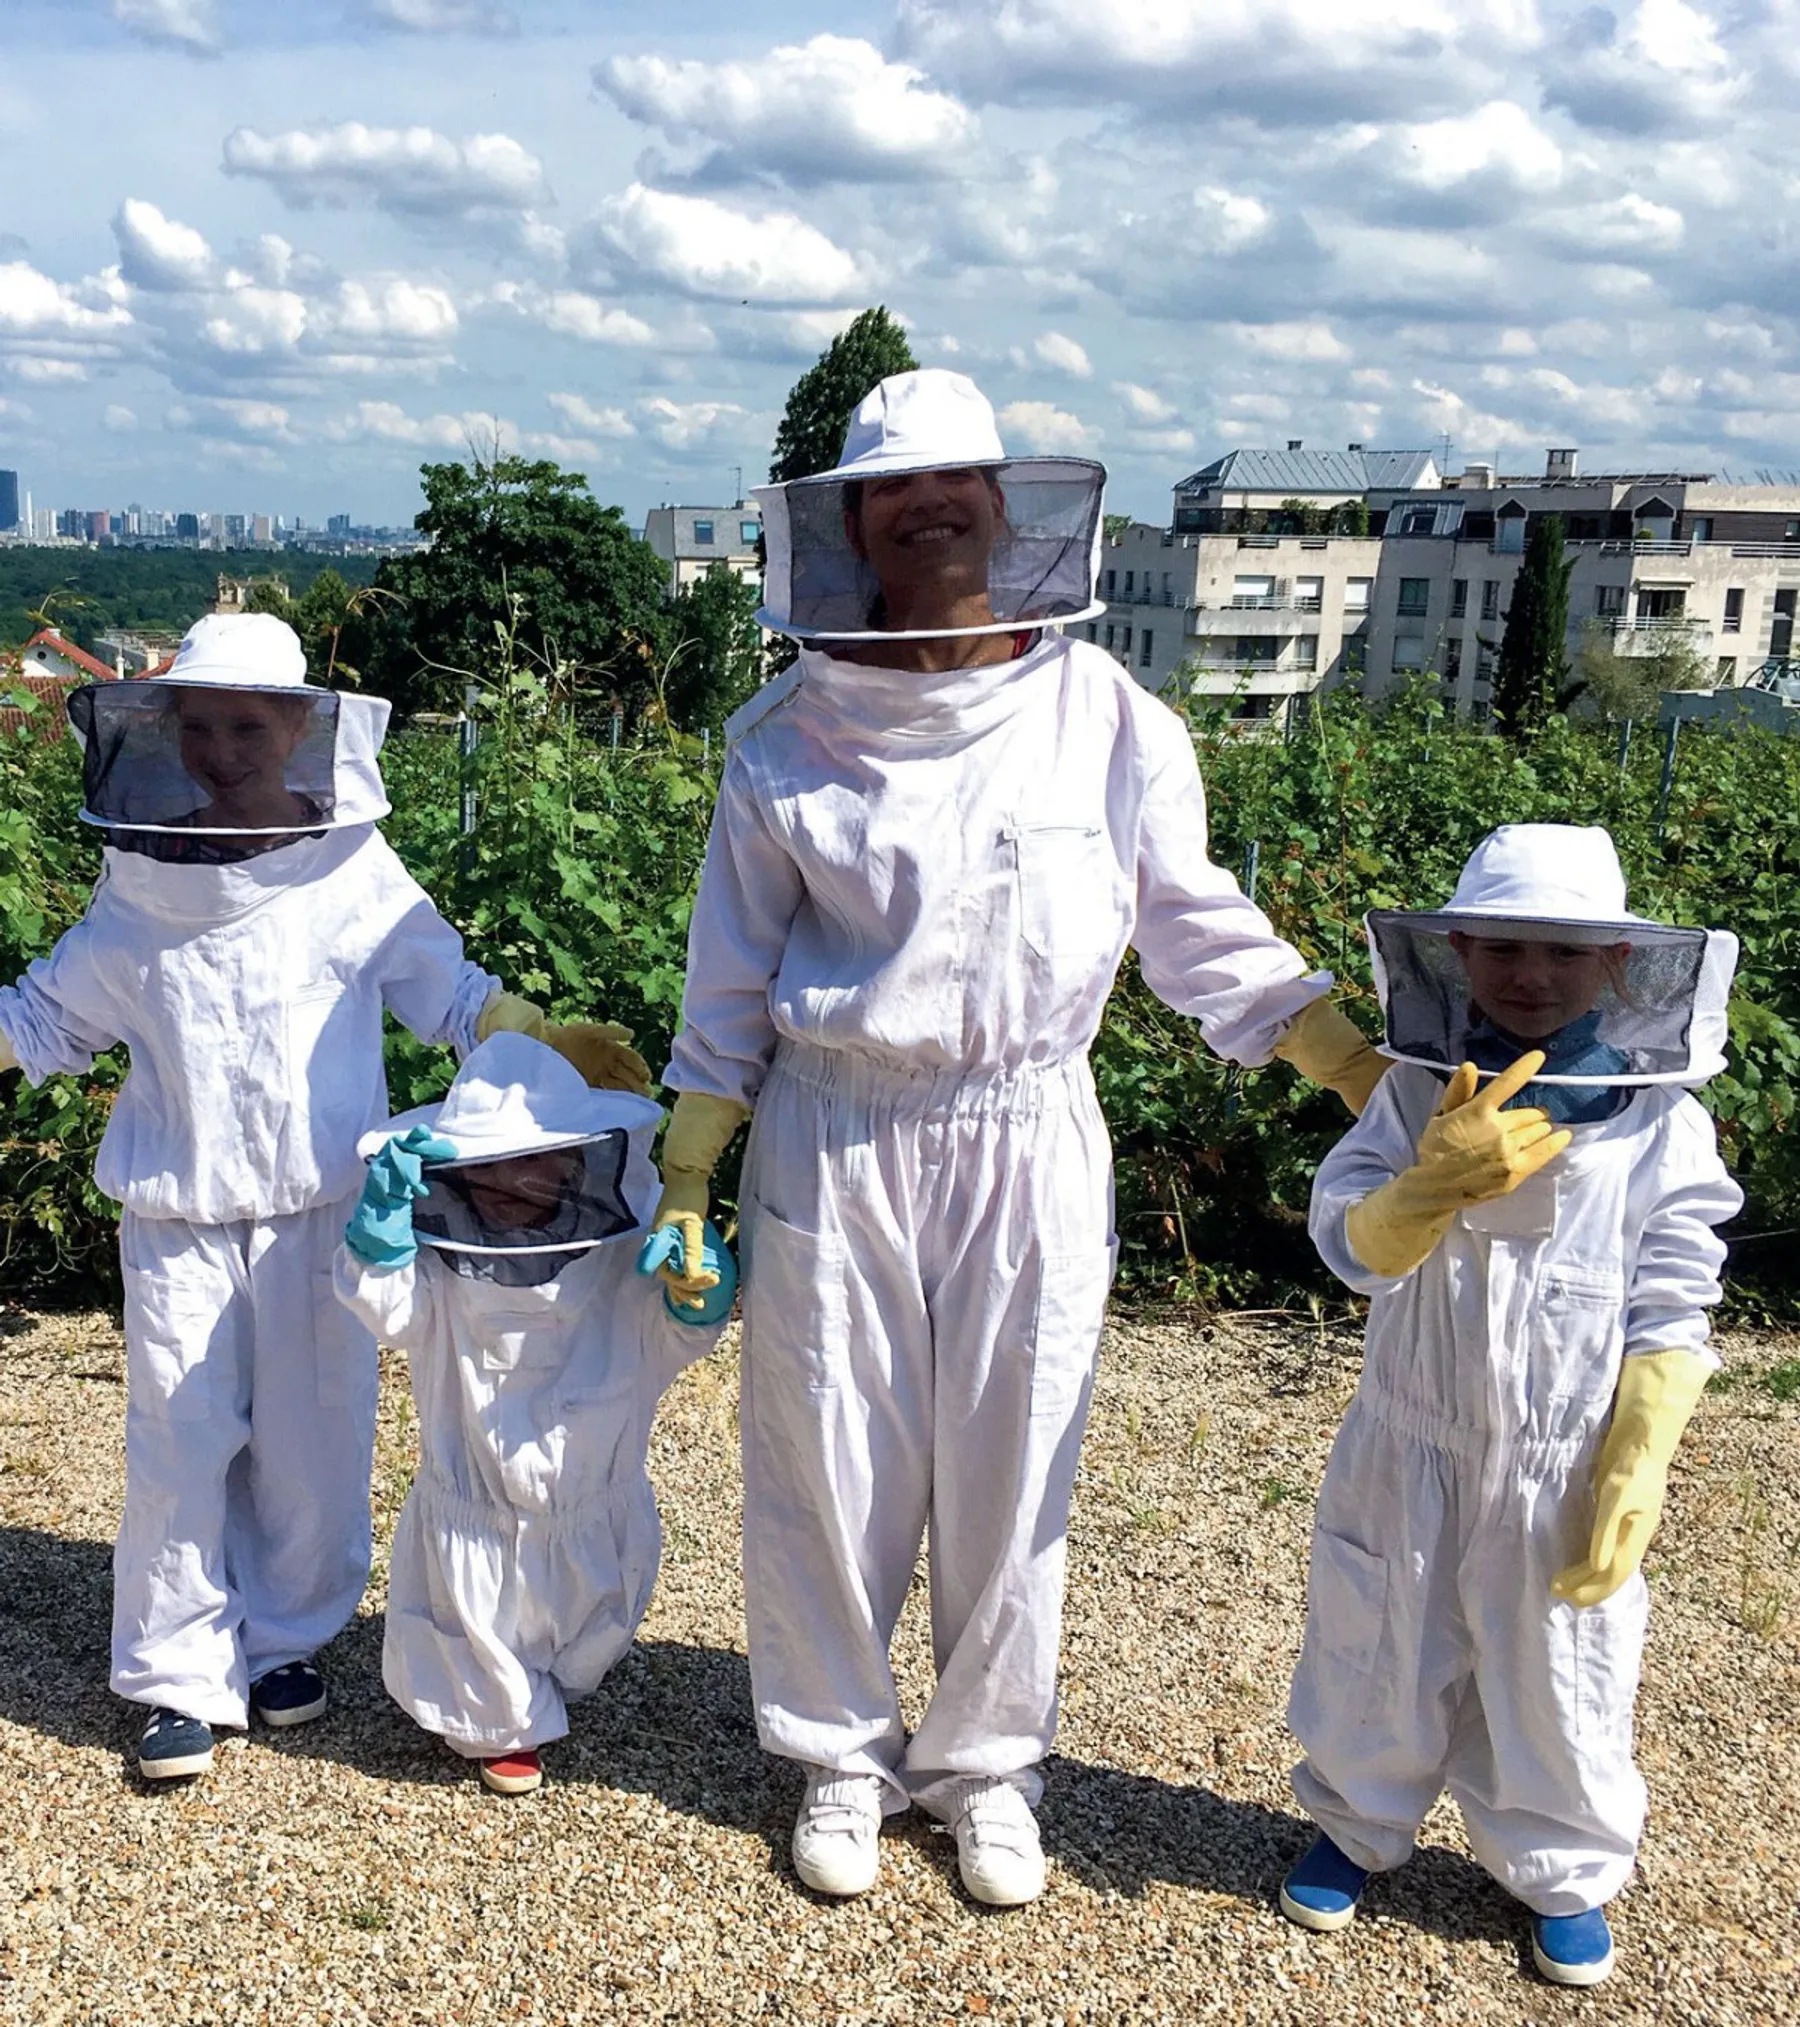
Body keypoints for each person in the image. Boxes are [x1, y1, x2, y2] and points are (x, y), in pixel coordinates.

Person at [644, 369, 1391, 1906]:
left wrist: (1349, 1060)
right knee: (826, 1458)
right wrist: (691, 1169)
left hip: (1027, 1126)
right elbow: (729, 976)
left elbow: (1197, 929)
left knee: (1017, 1456)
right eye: (892, 489)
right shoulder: (783, 737)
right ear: (846, 522)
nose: (928, 506)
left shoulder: (1109, 715)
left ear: (1005, 503)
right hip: (837, 1133)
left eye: (956, 482)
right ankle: (840, 1750)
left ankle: (989, 1763)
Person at [0, 614, 648, 1781]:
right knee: (181, 1439)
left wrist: (542, 1049)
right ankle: (176, 1672)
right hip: (179, 1212)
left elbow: (448, 992)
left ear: (302, 725)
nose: (220, 748)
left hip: (330, 1210)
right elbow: (46, 1017)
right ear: (162, 728)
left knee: (315, 1432)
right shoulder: (139, 881)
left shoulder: (355, 869)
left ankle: (289, 1637)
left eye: (248, 723)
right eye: (198, 724)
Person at [1281, 823, 1742, 1987]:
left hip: (1563, 1451)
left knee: (1561, 1665)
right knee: (1379, 1634)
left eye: (1562, 952)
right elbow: (1348, 1241)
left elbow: (1679, 1281)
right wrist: (1421, 1186)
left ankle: (1564, 1868)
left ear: (1620, 968)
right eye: (1503, 948)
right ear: (1459, 954)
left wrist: (1641, 1442)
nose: (1529, 974)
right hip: (1410, 1432)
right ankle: (1356, 1818)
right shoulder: (1417, 1095)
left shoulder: (1660, 1120)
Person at [334, 1033, 733, 1793]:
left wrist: (701, 1282)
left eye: (535, 1160)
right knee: (483, 1670)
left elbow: (674, 1333)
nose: (513, 1180)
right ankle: (499, 1719)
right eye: (489, 1166)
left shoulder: (620, 1252)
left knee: (588, 1642)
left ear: (579, 1160)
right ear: (456, 1172)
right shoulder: (443, 1268)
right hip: (474, 1504)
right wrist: (377, 1241)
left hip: (596, 1506)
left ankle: (551, 1679)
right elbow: (387, 1310)